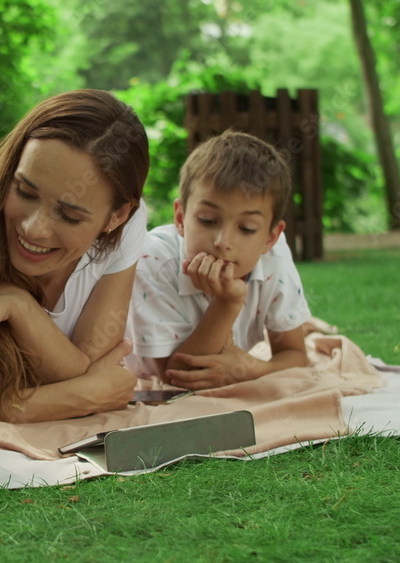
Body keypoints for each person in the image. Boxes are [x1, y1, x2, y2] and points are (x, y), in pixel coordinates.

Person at [0, 89, 150, 423]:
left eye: (69, 215)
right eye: (25, 192)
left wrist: (18, 305)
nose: (34, 229)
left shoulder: (127, 228)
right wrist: (77, 398)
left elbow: (87, 372)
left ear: (116, 216)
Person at [127, 130, 311, 390]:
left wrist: (252, 369)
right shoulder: (154, 260)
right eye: (208, 221)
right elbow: (176, 376)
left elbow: (296, 356)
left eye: (246, 228)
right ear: (180, 219)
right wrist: (228, 302)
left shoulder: (274, 257)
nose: (223, 241)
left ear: (270, 237)